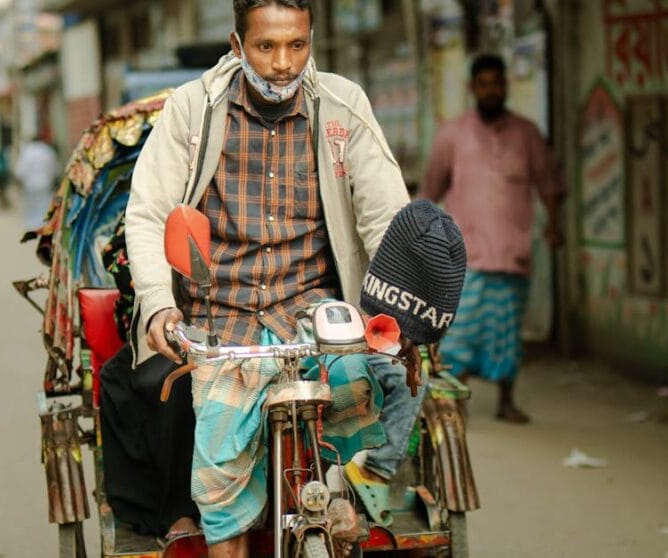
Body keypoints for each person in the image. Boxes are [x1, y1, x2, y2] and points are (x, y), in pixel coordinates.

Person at [124, 1, 415, 553]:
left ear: (311, 41)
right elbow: (148, 214)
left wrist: (397, 304)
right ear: (237, 45)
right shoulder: (194, 109)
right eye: (266, 47)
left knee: (362, 406)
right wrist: (160, 303)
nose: (283, 63)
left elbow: (383, 216)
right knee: (221, 493)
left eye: (297, 46)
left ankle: (343, 498)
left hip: (314, 315)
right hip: (223, 320)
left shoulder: (341, 106)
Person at [421, 53, 566, 424]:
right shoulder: (452, 134)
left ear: (505, 86)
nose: (490, 91)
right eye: (483, 84)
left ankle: (506, 401)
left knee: (507, 334)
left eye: (496, 84)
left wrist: (554, 223)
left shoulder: (527, 134)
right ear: (473, 88)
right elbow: (430, 190)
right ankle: (456, 403)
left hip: (513, 252)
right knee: (460, 334)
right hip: (465, 254)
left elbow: (549, 183)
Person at [14, 135, 59, 229]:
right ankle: (44, 225)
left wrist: (20, 183)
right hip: (45, 184)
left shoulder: (26, 152)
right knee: (44, 206)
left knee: (32, 207)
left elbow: (20, 171)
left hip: (30, 185)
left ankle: (32, 226)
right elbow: (55, 169)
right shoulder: (48, 151)